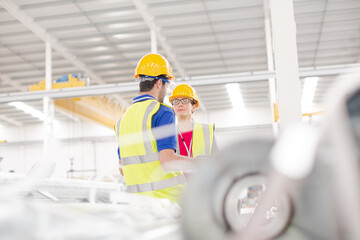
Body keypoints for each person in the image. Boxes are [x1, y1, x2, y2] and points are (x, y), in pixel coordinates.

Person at [114, 53, 195, 203]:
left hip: (139, 204)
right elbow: (167, 160)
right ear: (159, 83)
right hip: (170, 201)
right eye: (167, 85)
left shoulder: (122, 121)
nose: (166, 89)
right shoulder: (161, 111)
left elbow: (122, 169)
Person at [169, 84, 216, 163]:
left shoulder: (207, 130)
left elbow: (219, 159)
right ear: (173, 107)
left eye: (185, 101)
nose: (180, 104)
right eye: (176, 101)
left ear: (193, 107)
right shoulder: (168, 134)